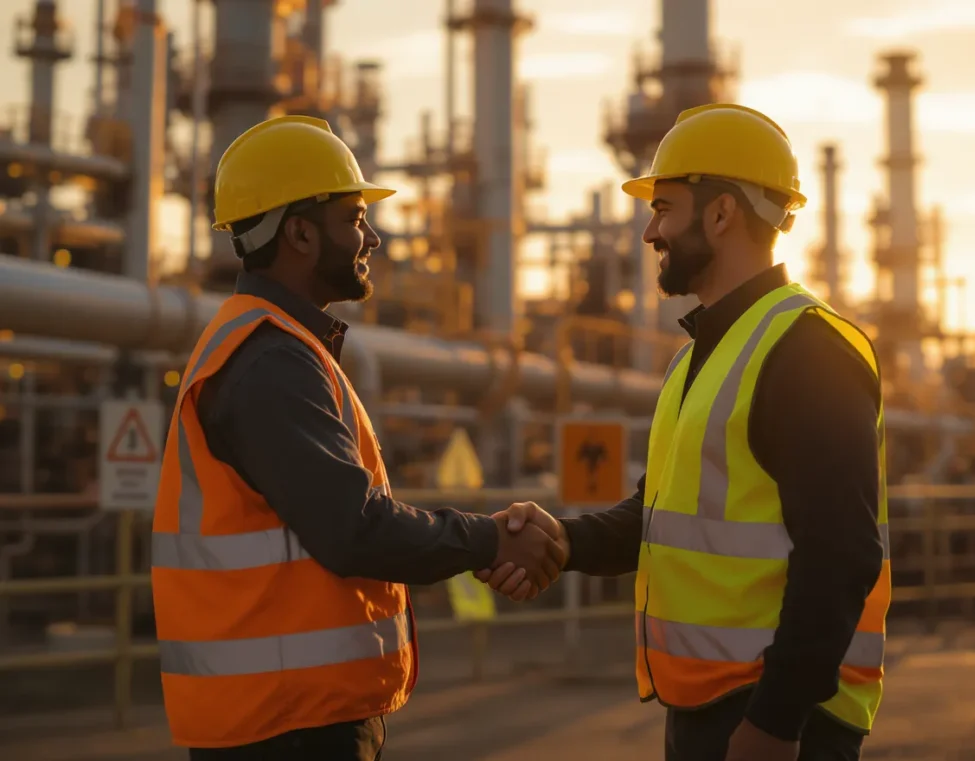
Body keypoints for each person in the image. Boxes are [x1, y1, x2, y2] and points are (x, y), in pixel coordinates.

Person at [478, 104, 891, 761]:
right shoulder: (702, 353)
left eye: (664, 208)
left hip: (782, 719)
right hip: (707, 708)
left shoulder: (808, 349)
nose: (649, 232)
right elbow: (663, 514)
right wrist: (567, 539)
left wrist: (776, 722)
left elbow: (841, 556)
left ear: (722, 213)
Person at [150, 115, 566, 761]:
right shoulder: (270, 362)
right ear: (299, 232)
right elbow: (354, 528)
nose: (370, 236)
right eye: (353, 218)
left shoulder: (278, 349)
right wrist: (488, 538)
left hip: (286, 714)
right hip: (285, 728)